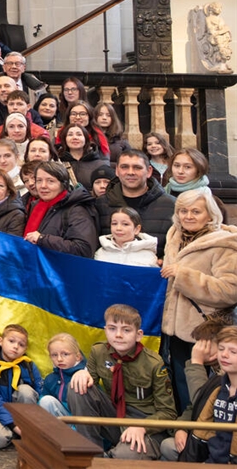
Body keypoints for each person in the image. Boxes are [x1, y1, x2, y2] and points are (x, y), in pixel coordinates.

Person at [67, 303, 176, 459]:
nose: (118, 335)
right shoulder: (98, 352)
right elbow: (90, 393)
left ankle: (111, 458)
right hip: (114, 418)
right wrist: (82, 373)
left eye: (126, 330)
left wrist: (142, 427)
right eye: (112, 328)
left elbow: (169, 413)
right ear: (105, 331)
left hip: (144, 424)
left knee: (125, 456)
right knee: (78, 387)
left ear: (138, 335)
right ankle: (91, 454)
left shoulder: (153, 363)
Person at [160, 187, 237, 409]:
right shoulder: (174, 236)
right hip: (174, 331)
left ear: (210, 215)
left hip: (205, 332)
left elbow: (229, 290)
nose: (188, 216)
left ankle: (205, 437)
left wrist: (184, 275)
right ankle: (187, 433)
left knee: (206, 392)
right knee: (181, 389)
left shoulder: (225, 244)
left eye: (196, 211)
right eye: (183, 211)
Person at [159, 324, 237, 462]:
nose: (224, 354)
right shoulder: (219, 380)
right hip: (213, 451)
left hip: (229, 456)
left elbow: (200, 399)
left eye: (233, 351)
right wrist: (181, 428)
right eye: (221, 349)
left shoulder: (215, 373)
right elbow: (195, 406)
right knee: (168, 446)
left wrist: (196, 363)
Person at [94, 148, 174, 258]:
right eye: (124, 167)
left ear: (149, 171)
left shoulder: (171, 205)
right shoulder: (100, 205)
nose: (130, 172)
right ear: (117, 171)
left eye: (137, 167)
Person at [0, 324, 43, 449]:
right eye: (11, 341)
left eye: (21, 344)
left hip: (21, 414)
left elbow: (40, 392)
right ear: (1, 341)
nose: (16, 346)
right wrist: (14, 426)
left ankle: (26, 429)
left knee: (26, 391)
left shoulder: (29, 366)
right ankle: (18, 433)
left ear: (25, 349)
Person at [24, 161, 99, 257]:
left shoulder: (76, 210)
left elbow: (83, 249)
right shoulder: (36, 207)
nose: (43, 186)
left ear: (63, 184)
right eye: (39, 180)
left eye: (50, 181)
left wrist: (42, 239)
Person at [37, 332, 87, 418]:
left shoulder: (85, 375)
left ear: (78, 356)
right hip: (62, 421)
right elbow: (43, 402)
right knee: (45, 401)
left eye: (65, 354)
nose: (59, 359)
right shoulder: (50, 379)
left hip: (84, 422)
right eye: (54, 355)